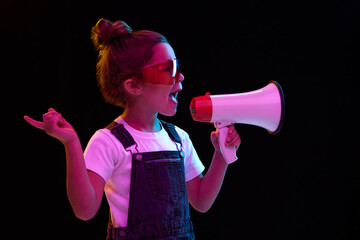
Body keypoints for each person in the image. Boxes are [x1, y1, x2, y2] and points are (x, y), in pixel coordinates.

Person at [24, 18, 241, 239]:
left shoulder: (179, 139)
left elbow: (201, 202)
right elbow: (84, 210)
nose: (180, 76)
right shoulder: (107, 141)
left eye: (178, 66)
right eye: (169, 69)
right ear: (134, 85)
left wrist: (221, 155)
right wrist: (71, 143)